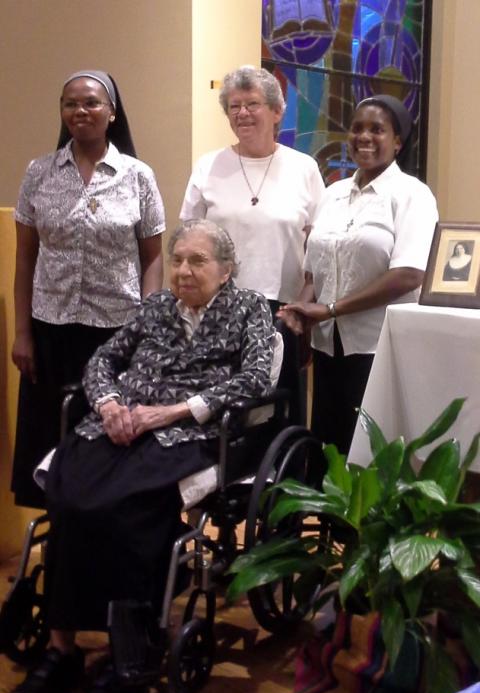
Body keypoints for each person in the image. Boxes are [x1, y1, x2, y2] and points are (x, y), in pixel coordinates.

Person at [7, 219, 275, 693]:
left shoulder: (250, 311)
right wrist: (108, 404)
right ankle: (62, 649)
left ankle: (128, 655)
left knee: (125, 509)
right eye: (177, 259)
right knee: (67, 496)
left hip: (183, 433)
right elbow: (104, 359)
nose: (183, 270)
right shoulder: (154, 307)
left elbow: (256, 378)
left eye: (197, 261)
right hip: (119, 423)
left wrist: (175, 411)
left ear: (226, 270)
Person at [11, 70, 165, 508]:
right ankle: (57, 544)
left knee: (105, 444)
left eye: (92, 103)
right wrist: (23, 332)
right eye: (70, 104)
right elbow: (25, 258)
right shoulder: (39, 172)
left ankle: (98, 543)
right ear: (61, 112)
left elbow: (152, 256)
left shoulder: (137, 176)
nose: (81, 111)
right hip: (50, 328)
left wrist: (147, 324)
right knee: (48, 437)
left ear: (112, 112)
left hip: (115, 331)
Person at [278, 94, 439, 458]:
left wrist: (332, 308)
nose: (364, 137)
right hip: (327, 342)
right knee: (328, 440)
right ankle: (328, 516)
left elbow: (409, 274)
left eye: (377, 130)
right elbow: (313, 267)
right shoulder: (333, 193)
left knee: (367, 447)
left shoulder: (412, 195)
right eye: (357, 128)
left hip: (378, 343)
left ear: (397, 141)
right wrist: (302, 309)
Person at [180, 65, 325, 423]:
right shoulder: (209, 166)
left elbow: (317, 247)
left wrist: (304, 309)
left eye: (253, 104)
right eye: (234, 106)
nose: (242, 113)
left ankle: (280, 478)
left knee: (277, 411)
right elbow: (187, 240)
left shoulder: (303, 168)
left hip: (282, 312)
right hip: (217, 309)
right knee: (218, 412)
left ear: (277, 112)